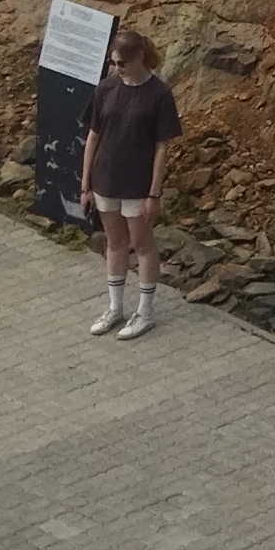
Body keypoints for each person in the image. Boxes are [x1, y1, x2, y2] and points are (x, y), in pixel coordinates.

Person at [78, 27, 181, 340]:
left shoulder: (159, 94)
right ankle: (115, 307)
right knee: (115, 242)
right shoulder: (106, 88)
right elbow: (93, 136)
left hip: (138, 183)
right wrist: (85, 185)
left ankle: (145, 311)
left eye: (121, 63)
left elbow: (162, 147)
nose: (116, 68)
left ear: (139, 57)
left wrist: (154, 193)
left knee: (142, 244)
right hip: (105, 179)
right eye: (113, 63)